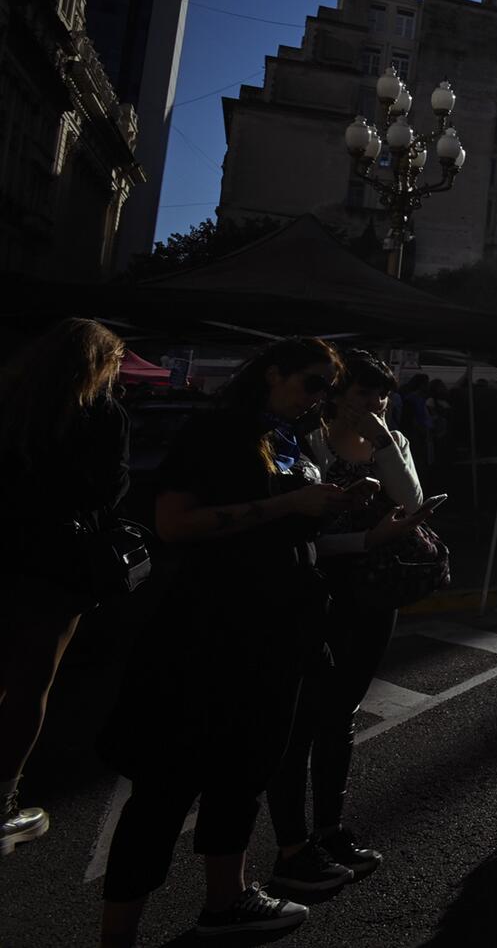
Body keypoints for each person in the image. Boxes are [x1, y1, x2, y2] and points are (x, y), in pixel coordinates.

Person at [97, 338, 361, 945]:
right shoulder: (218, 432)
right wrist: (291, 504)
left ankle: (228, 900)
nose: (320, 398)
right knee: (166, 784)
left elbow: (288, 516)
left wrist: (331, 504)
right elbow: (174, 523)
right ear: (273, 373)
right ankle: (118, 937)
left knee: (244, 773)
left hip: (277, 629)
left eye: (327, 387)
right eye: (312, 383)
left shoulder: (289, 438)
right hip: (209, 630)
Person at [266, 350, 436, 895]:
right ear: (338, 395)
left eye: (382, 395)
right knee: (302, 718)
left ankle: (330, 829)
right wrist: (364, 539)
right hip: (317, 586)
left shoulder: (393, 439)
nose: (374, 405)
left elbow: (410, 501)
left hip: (375, 587)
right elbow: (302, 533)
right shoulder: (305, 440)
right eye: (364, 395)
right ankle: (294, 844)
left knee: (342, 713)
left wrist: (385, 440)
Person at [0, 318, 130, 856]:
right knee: (31, 685)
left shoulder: (10, 400)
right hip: (53, 566)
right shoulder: (100, 414)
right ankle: (3, 802)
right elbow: (110, 487)